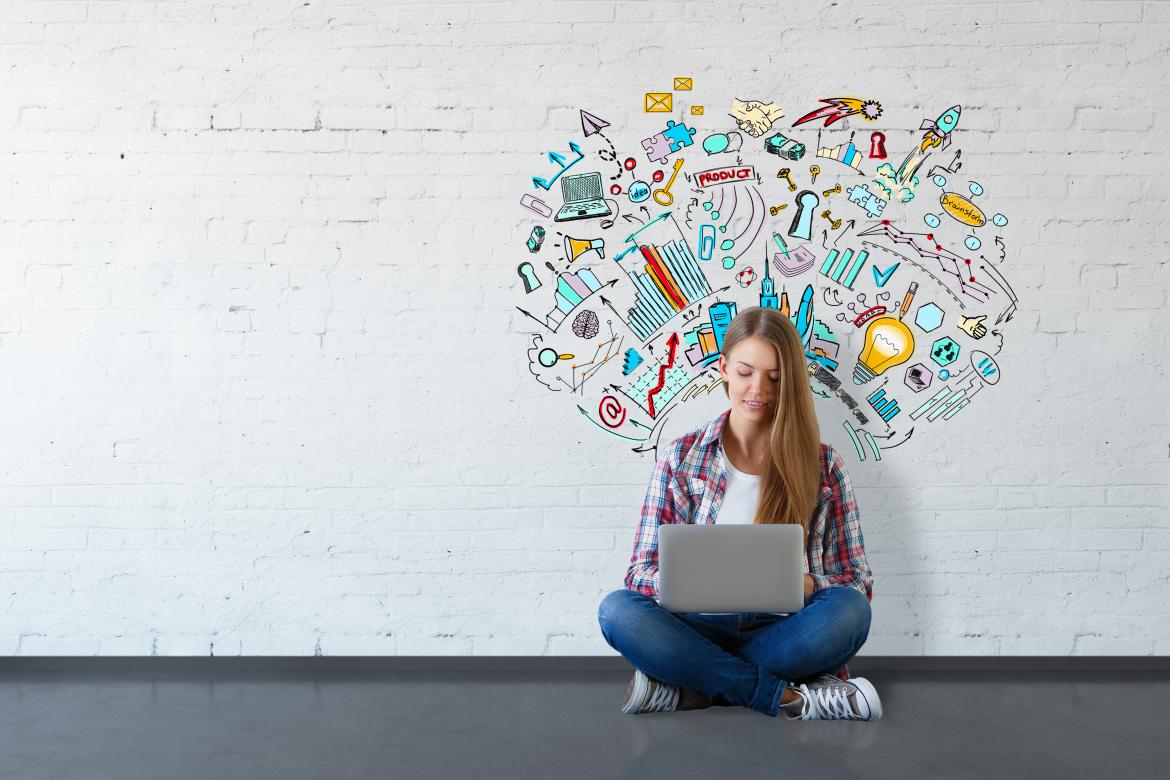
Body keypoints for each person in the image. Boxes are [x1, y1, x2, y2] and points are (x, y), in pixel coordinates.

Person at [597, 306, 880, 720]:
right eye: (745, 372)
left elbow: (857, 583)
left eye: (775, 377)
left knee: (850, 613)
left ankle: (696, 686)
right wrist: (685, 580)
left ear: (792, 381)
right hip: (696, 627)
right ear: (724, 368)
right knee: (617, 610)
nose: (758, 389)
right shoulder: (682, 457)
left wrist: (803, 584)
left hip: (783, 629)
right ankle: (788, 697)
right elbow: (639, 575)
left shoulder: (824, 465)